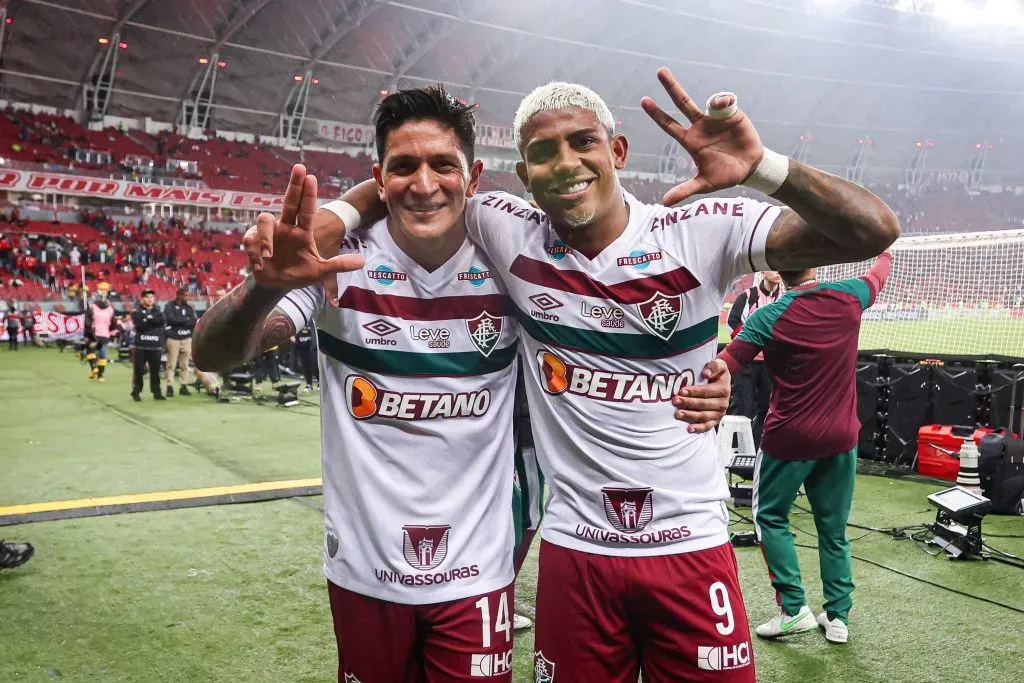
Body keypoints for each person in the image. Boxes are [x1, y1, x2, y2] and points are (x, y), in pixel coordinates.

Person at [310, 71, 899, 681]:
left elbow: (872, 231)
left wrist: (765, 169)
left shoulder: (699, 230)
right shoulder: (505, 229)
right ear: (524, 175)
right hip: (576, 551)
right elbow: (411, 181)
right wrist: (329, 221)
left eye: (583, 142)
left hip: (691, 543)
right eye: (544, 152)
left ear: (617, 150)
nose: (566, 163)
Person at [205, 89, 730, 682]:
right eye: (403, 167)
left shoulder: (509, 263)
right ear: (379, 178)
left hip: (478, 574)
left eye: (443, 165)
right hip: (362, 569)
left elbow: (609, 314)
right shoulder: (337, 265)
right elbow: (216, 354)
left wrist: (718, 369)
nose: (424, 184)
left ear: (473, 177)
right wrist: (266, 286)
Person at [709, 251, 893, 646]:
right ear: (817, 263)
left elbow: (724, 365)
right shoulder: (851, 295)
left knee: (770, 516)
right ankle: (838, 617)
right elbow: (879, 273)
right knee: (834, 529)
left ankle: (793, 609)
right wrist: (885, 249)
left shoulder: (767, 316)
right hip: (842, 438)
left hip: (788, 439)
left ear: (778, 270)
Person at [727, 270, 783, 446]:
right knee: (742, 406)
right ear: (764, 272)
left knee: (768, 408)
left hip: (771, 364)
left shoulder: (784, 298)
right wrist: (750, 344)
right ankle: (734, 449)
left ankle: (759, 448)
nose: (778, 272)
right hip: (746, 363)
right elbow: (732, 322)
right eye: (774, 269)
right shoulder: (748, 295)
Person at [131, 289, 165, 402]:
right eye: (147, 297)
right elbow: (140, 325)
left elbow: (161, 322)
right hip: (141, 346)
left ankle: (157, 392)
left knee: (155, 371)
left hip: (155, 346)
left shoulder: (158, 311)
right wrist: (153, 322)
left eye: (151, 297)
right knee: (139, 371)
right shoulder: (136, 311)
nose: (150, 299)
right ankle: (136, 392)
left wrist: (148, 319)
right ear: (142, 299)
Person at [164, 288, 198, 397]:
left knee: (185, 365)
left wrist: (180, 320)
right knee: (171, 364)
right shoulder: (169, 306)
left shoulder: (189, 308)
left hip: (186, 339)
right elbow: (170, 320)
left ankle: (184, 386)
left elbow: (193, 322)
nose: (188, 297)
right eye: (186, 295)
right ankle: (169, 386)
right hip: (173, 339)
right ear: (179, 295)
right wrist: (185, 319)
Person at [84, 293, 115, 382]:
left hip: (94, 334)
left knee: (90, 351)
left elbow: (87, 322)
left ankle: (94, 368)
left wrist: (87, 334)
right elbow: (113, 323)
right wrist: (110, 332)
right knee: (102, 355)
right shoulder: (110, 309)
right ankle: (100, 376)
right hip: (105, 335)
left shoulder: (92, 307)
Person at [294, 324, 316, 391]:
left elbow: (306, 331)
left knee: (314, 366)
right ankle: (309, 384)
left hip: (312, 348)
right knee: (305, 367)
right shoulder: (299, 323)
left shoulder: (312, 323)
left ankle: (319, 383)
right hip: (302, 349)